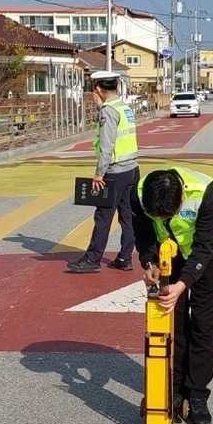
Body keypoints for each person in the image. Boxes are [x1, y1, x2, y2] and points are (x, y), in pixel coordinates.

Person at [131, 167, 213, 424]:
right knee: (175, 323)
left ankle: (197, 394)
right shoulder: (138, 194)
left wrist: (183, 284)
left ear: (182, 195)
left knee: (203, 323)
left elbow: (204, 246)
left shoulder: (205, 192)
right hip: (168, 256)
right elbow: (143, 235)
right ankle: (174, 388)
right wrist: (150, 264)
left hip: (206, 254)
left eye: (168, 215)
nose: (163, 219)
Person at [67, 70, 139, 274]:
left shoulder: (108, 111)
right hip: (132, 168)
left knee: (103, 217)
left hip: (115, 172)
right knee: (128, 216)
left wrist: (99, 174)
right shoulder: (123, 107)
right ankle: (125, 257)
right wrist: (101, 106)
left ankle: (92, 259)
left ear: (98, 88)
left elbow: (107, 146)